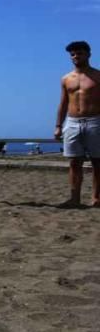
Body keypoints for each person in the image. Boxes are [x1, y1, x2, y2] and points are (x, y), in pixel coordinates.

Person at [54, 40, 100, 207]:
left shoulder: (98, 76)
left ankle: (96, 198)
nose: (75, 56)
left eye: (79, 53)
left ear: (88, 54)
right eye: (72, 54)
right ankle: (74, 198)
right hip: (72, 121)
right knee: (74, 162)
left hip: (95, 120)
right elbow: (63, 103)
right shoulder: (66, 78)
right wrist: (58, 125)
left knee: (97, 161)